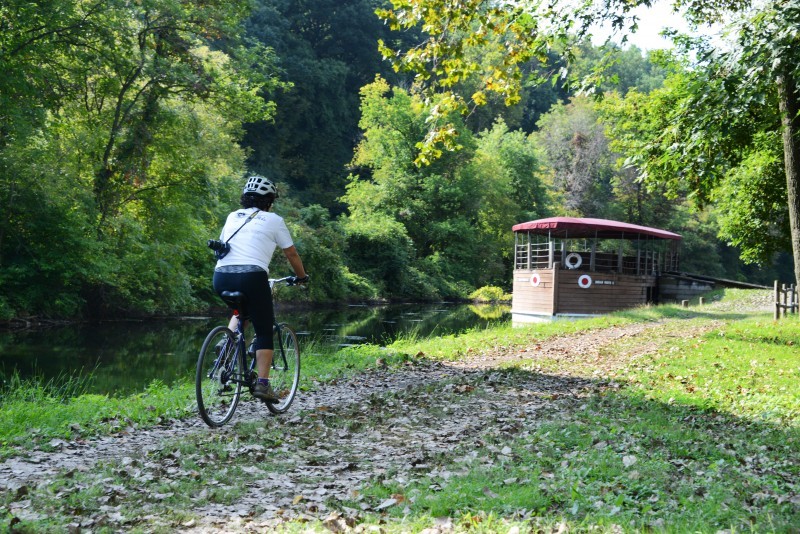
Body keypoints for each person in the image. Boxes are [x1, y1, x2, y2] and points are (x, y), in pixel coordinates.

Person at [212, 175, 308, 402]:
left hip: (221, 277)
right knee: (264, 330)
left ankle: (227, 345)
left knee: (241, 311)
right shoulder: (273, 220)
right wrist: (301, 277)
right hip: (252, 277)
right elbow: (291, 253)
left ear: (245, 198)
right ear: (269, 201)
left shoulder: (232, 216)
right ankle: (263, 385)